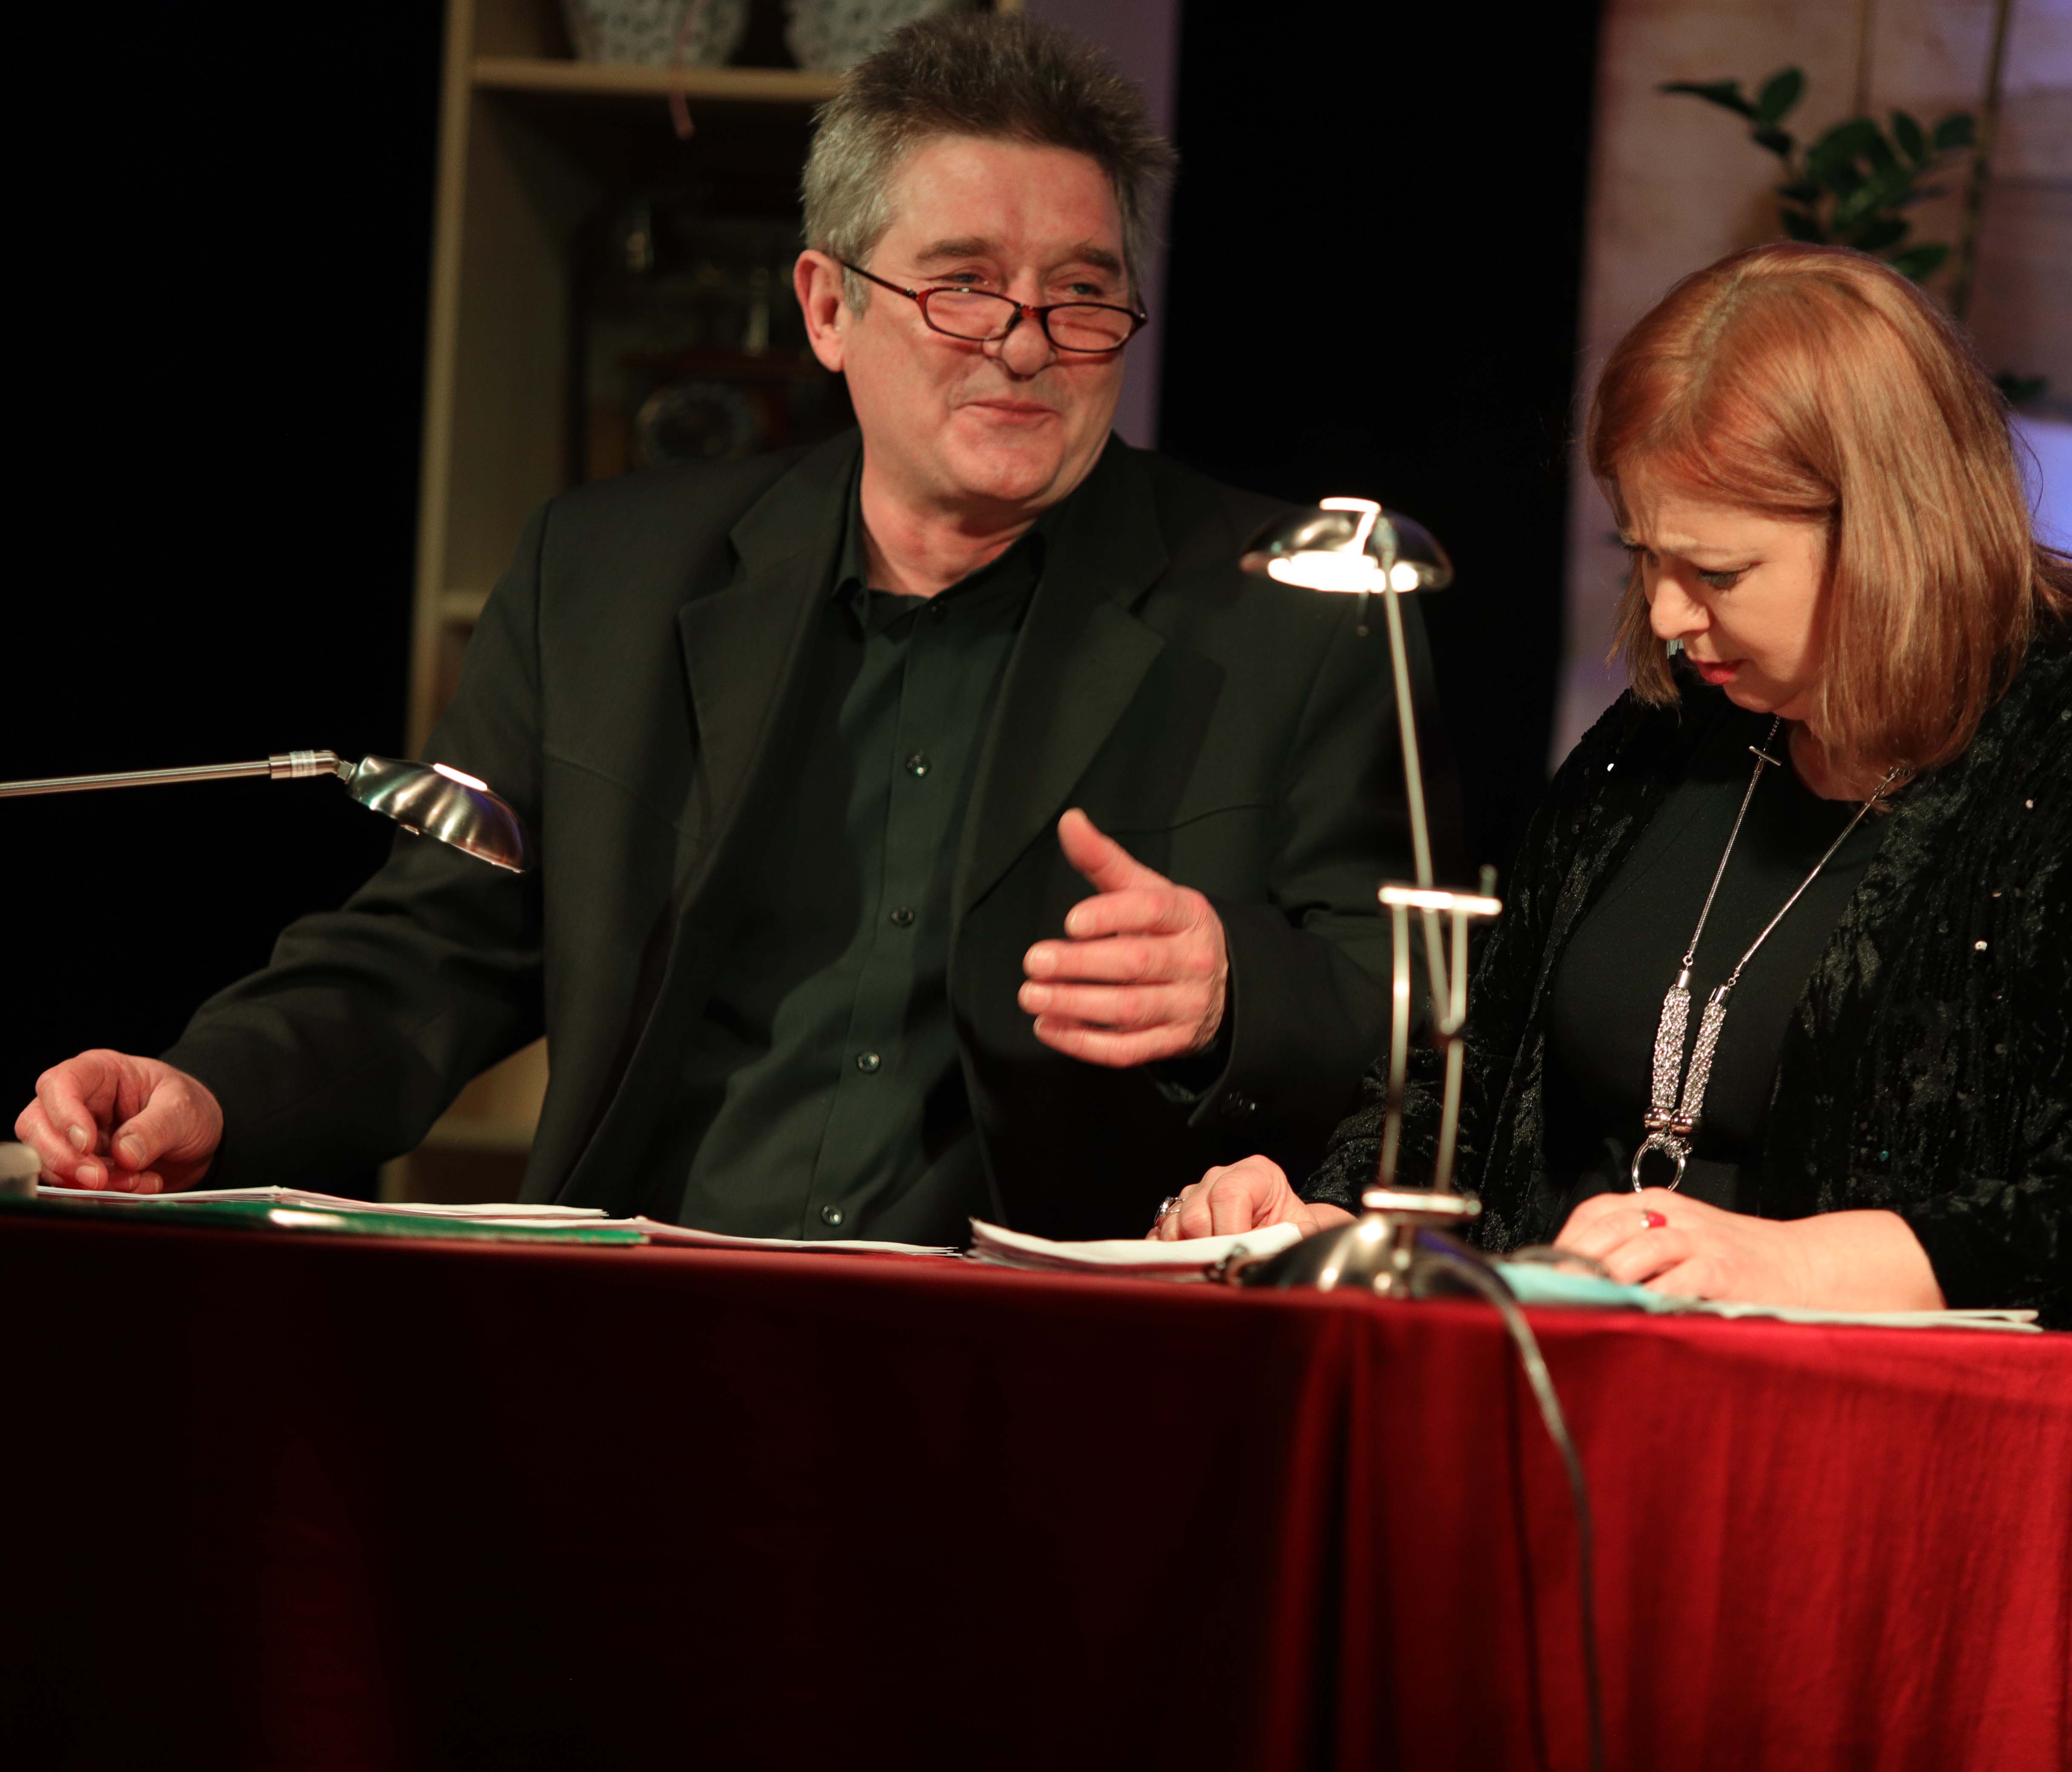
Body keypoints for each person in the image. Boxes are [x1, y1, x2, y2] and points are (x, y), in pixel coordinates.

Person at [1151, 243, 2072, 1764]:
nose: (1669, 614)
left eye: (1718, 571)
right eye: (1645, 555)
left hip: (1914, 1550)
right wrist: (1332, 1214)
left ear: (1886, 527)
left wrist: (1789, 1259)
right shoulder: (1656, 752)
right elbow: (1474, 1075)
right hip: (1570, 1482)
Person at [14, 15, 1442, 1244]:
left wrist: (1233, 989)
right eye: (963, 285)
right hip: (651, 1304)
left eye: (1080, 296)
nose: (1024, 345)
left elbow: (1423, 1021)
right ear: (827, 306)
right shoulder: (607, 580)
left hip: (1045, 1346)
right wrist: (213, 1090)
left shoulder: (1293, 609)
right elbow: (431, 947)